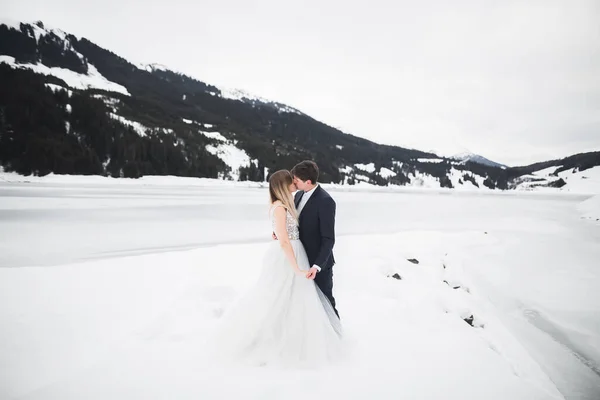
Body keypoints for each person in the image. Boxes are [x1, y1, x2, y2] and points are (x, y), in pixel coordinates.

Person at [210, 169, 342, 368]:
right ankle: (277, 340)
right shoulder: (281, 205)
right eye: (291, 181)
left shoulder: (296, 199)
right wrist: (295, 266)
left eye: (296, 180)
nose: (294, 183)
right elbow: (284, 241)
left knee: (299, 299)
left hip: (301, 255)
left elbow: (297, 230)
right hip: (289, 257)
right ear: (283, 185)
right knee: (279, 297)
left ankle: (315, 337)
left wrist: (281, 234)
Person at [291, 160, 339, 318]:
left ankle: (337, 337)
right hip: (300, 260)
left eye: (296, 180)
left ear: (308, 182)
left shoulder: (325, 201)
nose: (293, 182)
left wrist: (317, 266)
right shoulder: (298, 195)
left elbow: (328, 239)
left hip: (319, 264)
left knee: (325, 301)